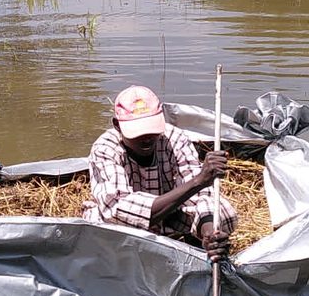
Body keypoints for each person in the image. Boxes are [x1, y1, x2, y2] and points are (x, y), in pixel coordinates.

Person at [83, 85, 237, 262]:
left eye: (151, 130)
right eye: (138, 132)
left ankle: (198, 250)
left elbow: (203, 199)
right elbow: (118, 208)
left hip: (170, 216)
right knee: (99, 223)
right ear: (117, 126)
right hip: (127, 228)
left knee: (221, 209)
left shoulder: (175, 139)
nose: (147, 138)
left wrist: (209, 235)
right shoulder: (105, 149)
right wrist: (199, 181)